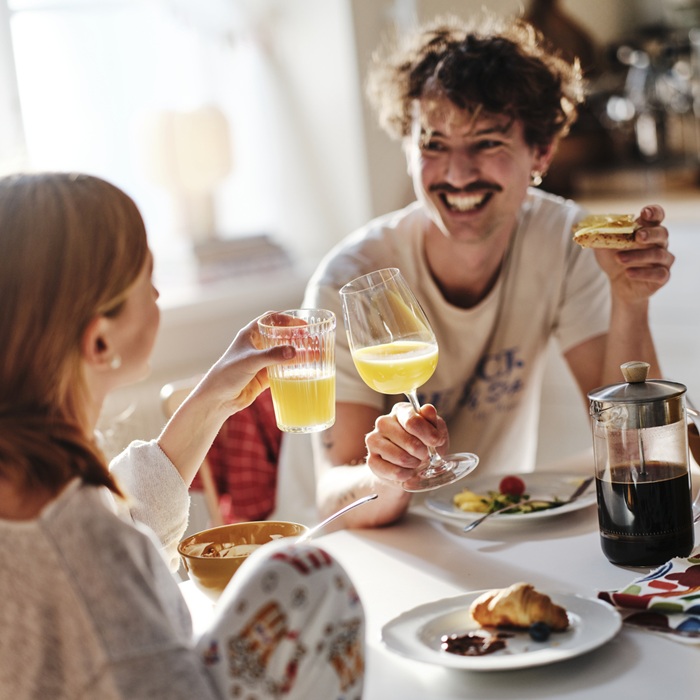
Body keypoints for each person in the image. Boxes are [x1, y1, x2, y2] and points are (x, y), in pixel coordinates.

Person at [0, 172, 364, 699]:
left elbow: (124, 525)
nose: (158, 293)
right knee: (305, 575)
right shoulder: (83, 550)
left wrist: (213, 397)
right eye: (145, 278)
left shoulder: (35, 484)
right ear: (100, 342)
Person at [303, 14, 674, 528]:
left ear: (539, 152)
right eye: (433, 144)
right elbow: (331, 497)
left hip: (491, 530)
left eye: (487, 143)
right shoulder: (351, 279)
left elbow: (636, 448)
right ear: (409, 147)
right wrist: (389, 475)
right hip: (364, 553)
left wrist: (630, 299)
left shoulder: (565, 242)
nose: (457, 174)